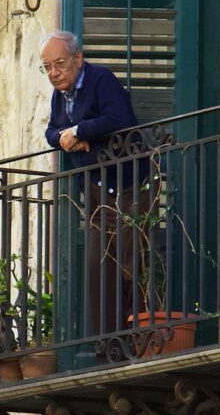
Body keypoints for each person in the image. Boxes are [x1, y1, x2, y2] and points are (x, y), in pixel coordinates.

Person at [41, 30, 151, 337]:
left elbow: (120, 118)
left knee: (132, 264)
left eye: (59, 63)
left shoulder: (101, 80)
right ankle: (108, 345)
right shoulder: (59, 95)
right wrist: (65, 138)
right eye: (47, 67)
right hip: (95, 193)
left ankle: (140, 339)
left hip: (128, 185)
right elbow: (51, 131)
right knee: (98, 269)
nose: (54, 73)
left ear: (78, 58)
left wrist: (79, 131)